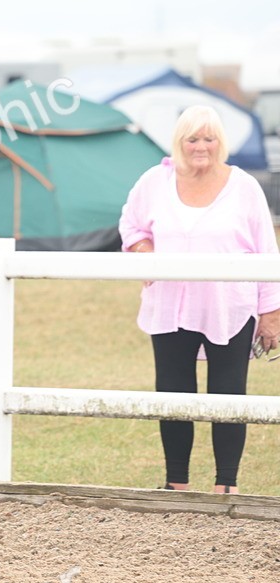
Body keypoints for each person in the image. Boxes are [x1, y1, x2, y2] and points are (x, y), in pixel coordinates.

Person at [119, 105, 280, 494]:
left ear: (220, 143)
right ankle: (177, 484)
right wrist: (144, 252)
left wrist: (271, 313)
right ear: (180, 142)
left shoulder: (243, 186)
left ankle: (227, 486)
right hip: (170, 306)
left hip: (230, 308)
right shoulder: (153, 181)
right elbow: (130, 225)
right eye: (193, 138)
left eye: (209, 138)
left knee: (229, 396)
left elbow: (266, 250)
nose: (201, 147)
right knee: (173, 395)